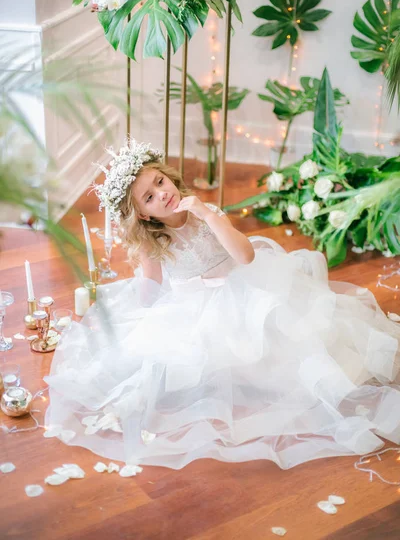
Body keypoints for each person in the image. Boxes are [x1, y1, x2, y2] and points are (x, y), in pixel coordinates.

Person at [44, 141, 400, 471]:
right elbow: (150, 292)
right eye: (149, 197)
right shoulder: (152, 243)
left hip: (244, 288)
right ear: (144, 216)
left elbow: (245, 257)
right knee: (188, 361)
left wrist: (209, 215)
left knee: (278, 344)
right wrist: (146, 323)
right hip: (194, 306)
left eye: (160, 182)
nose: (162, 194)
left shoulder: (205, 212)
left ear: (168, 175)